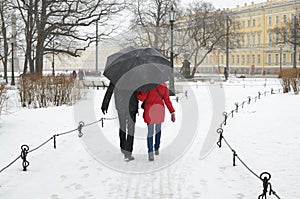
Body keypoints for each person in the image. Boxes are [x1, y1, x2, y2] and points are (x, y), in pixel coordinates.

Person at [137, 83, 175, 161]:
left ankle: (150, 152)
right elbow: (167, 100)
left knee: (150, 132)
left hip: (149, 111)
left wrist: (138, 92)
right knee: (158, 130)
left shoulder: (148, 85)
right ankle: (157, 147)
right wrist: (172, 111)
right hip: (159, 110)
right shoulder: (163, 86)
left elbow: (142, 98)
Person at [101, 82, 138, 161]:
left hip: (121, 105)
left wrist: (105, 104)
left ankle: (123, 147)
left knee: (122, 127)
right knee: (131, 129)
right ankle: (128, 152)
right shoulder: (135, 75)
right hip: (131, 105)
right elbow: (140, 91)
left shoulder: (117, 74)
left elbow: (110, 90)